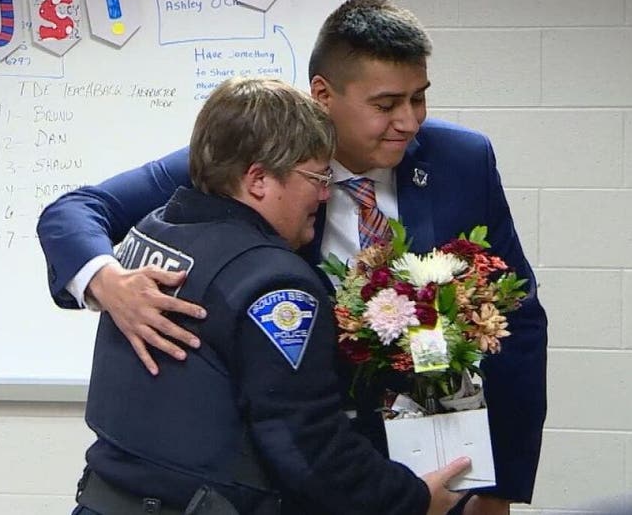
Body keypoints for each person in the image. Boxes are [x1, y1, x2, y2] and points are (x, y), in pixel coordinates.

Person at [40, 0, 548, 514]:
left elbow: (519, 322)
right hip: (305, 460)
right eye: (386, 104)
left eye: (419, 99)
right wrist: (107, 282)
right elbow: (78, 209)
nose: (409, 121)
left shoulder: (461, 161)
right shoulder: (262, 153)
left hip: (426, 455)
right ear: (324, 95)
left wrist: (500, 483)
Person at [73, 77, 469, 515]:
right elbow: (309, 448)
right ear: (258, 179)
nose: (324, 193)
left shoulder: (151, 234)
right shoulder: (275, 284)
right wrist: (412, 499)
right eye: (317, 176)